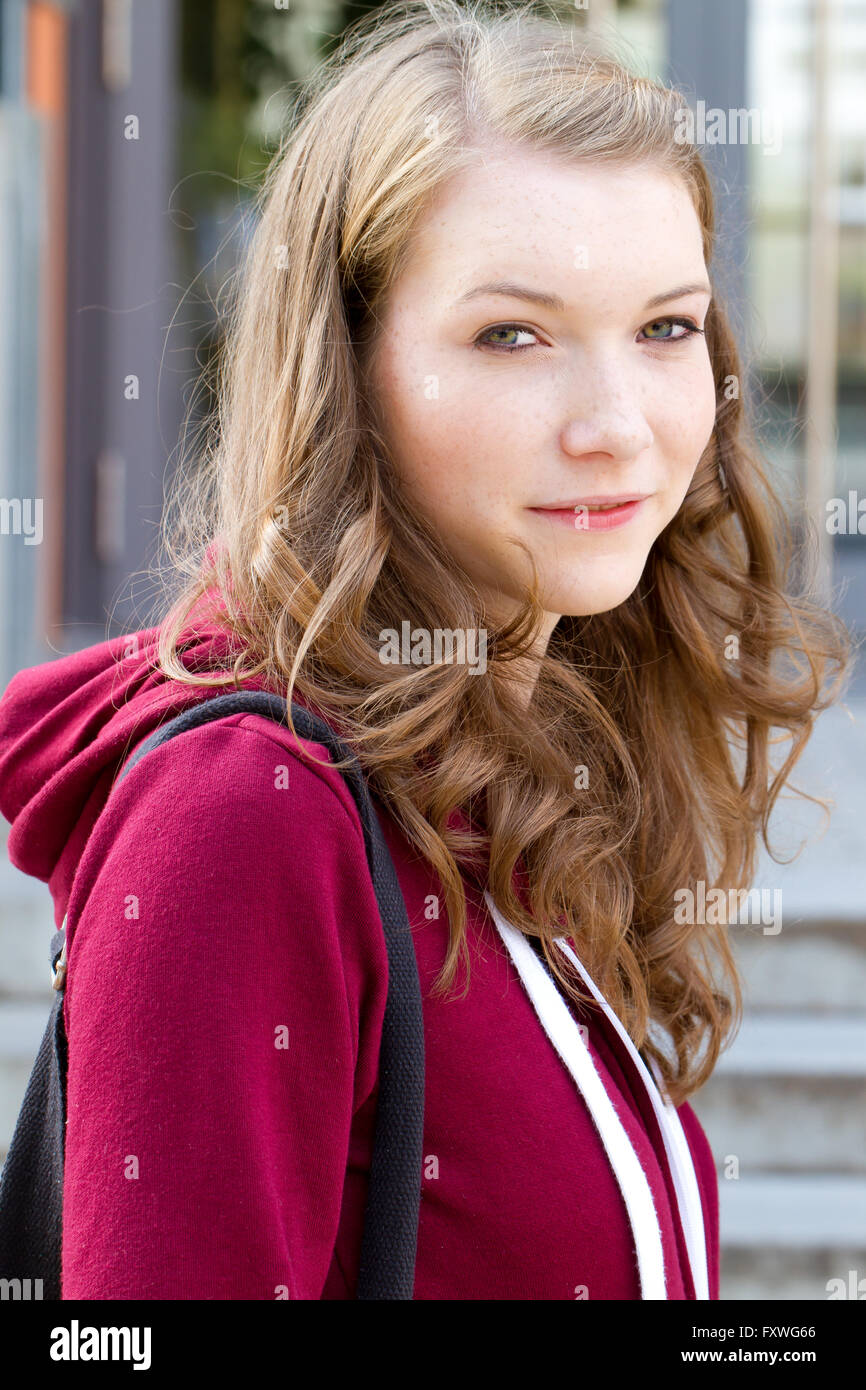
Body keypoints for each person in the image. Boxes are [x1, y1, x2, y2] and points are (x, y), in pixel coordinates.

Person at [0, 0, 848, 1300]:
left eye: (665, 326)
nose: (617, 425)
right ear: (349, 368)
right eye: (510, 334)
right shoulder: (245, 814)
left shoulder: (524, 756)